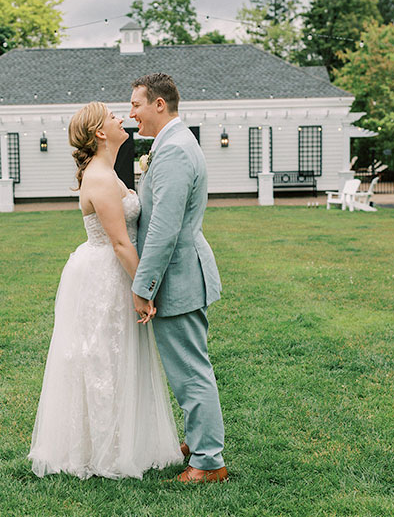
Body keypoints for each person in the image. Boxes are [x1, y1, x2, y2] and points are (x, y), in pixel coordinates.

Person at [28, 102, 183, 479]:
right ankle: (106, 449)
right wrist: (144, 288)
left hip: (110, 271)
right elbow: (120, 243)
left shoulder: (106, 172)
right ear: (100, 132)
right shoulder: (99, 177)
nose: (121, 119)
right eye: (113, 117)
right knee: (103, 357)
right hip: (105, 275)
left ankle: (126, 439)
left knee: (115, 354)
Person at [129, 73, 227, 483]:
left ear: (158, 105)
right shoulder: (174, 143)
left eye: (135, 104)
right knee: (189, 368)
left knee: (190, 371)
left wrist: (142, 287)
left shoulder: (173, 152)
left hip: (179, 277)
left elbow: (163, 230)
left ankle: (208, 462)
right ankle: (198, 438)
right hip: (185, 271)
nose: (130, 112)